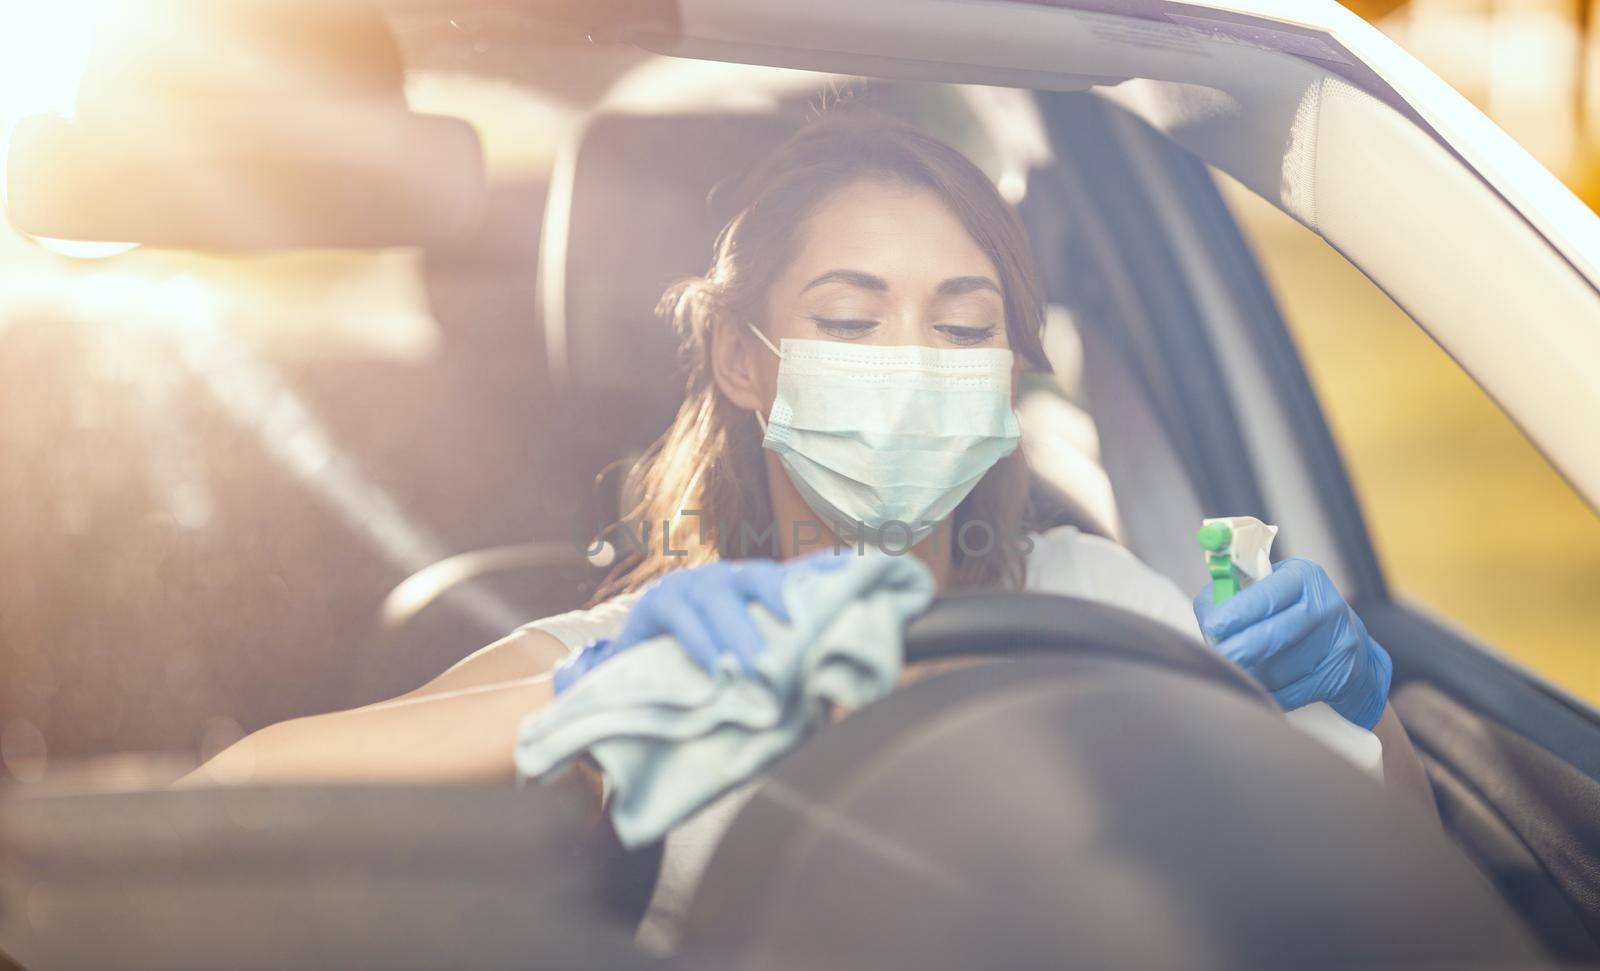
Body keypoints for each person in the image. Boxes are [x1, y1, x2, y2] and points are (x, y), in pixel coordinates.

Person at [186, 114, 1435, 819]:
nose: (912, 359)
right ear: (742, 356)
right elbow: (223, 801)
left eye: (961, 325)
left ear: (1009, 371)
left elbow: (1362, 896)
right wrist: (608, 689)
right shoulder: (626, 653)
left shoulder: (1099, 603)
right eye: (848, 320)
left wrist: (1359, 718)